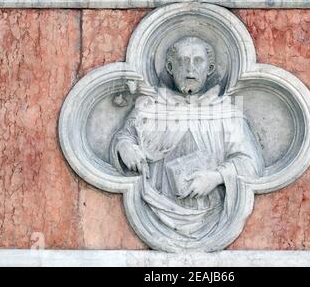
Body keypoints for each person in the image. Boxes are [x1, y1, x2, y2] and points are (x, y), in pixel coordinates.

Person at [110, 36, 264, 241]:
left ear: (209, 69)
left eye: (198, 61)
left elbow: (250, 162)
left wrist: (215, 177)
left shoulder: (226, 112)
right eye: (183, 61)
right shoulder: (149, 107)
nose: (190, 68)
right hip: (154, 207)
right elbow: (125, 136)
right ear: (170, 67)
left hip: (210, 213)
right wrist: (125, 147)